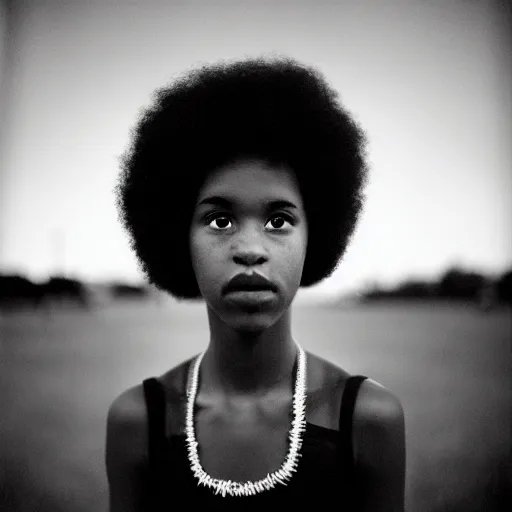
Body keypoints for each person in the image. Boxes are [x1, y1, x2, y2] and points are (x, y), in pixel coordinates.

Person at [106, 56, 406, 510]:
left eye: (279, 219)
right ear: (176, 235)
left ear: (316, 234)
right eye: (220, 219)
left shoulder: (368, 418)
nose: (250, 247)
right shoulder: (138, 421)